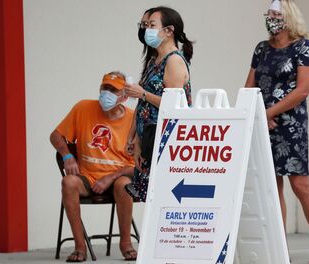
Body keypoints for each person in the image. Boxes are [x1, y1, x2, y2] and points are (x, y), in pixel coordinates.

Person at [244, 1, 309, 263]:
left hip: (290, 125)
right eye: (268, 14)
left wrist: (268, 113)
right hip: (262, 123)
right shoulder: (261, 49)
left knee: (300, 185)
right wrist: (258, 114)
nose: (270, 19)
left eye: (276, 15)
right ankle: (278, 247)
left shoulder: (304, 47)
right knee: (272, 187)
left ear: (289, 17)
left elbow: (302, 90)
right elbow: (249, 87)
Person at [50, 72, 137, 262]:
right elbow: (55, 135)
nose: (107, 93)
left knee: (123, 184)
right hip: (87, 178)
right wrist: (67, 156)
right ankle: (80, 247)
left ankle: (126, 244)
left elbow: (139, 165)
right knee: (68, 182)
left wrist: (110, 177)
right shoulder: (83, 108)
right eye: (104, 88)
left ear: (125, 96)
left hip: (118, 179)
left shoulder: (133, 119)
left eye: (113, 90)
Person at [124, 6, 193, 201]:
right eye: (144, 25)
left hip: (165, 140)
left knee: (163, 198)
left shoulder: (173, 61)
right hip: (148, 138)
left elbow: (175, 107)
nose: (146, 30)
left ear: (169, 30)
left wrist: (143, 93)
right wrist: (133, 137)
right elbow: (142, 105)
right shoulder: (153, 60)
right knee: (150, 200)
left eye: (151, 25)